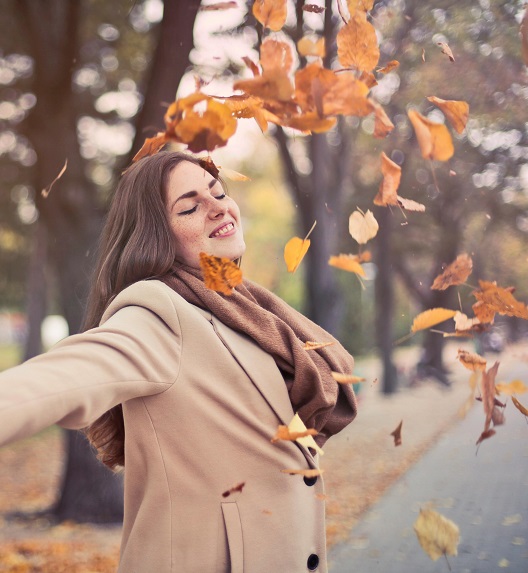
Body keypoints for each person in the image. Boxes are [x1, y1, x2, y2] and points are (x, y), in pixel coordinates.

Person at [0, 151, 357, 573]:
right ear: (157, 237)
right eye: (190, 207)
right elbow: (62, 379)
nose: (219, 207)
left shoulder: (245, 310)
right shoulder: (157, 313)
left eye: (218, 192)